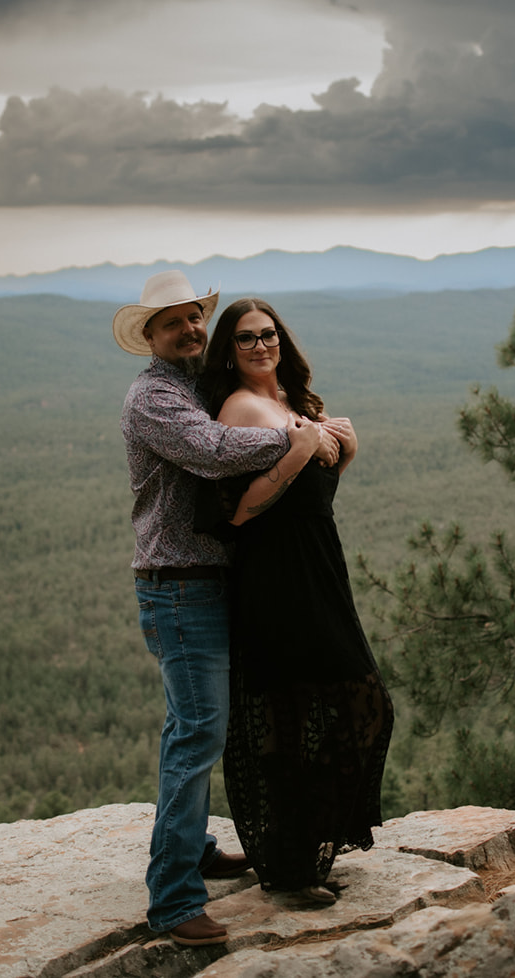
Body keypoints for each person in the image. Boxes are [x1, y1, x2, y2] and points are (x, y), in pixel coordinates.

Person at [115, 270, 330, 947]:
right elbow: (211, 453)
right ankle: (174, 901)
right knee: (199, 732)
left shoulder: (193, 386)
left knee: (193, 726)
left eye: (193, 317)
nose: (188, 329)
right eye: (172, 322)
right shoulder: (153, 397)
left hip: (210, 581)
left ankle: (197, 849)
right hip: (179, 585)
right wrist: (301, 437)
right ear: (148, 334)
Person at [199, 297, 395, 908]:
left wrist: (345, 450)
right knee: (303, 711)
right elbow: (238, 509)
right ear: (228, 354)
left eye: (268, 334)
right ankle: (286, 867)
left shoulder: (291, 404)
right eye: (245, 339)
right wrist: (301, 450)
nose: (261, 346)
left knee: (333, 703)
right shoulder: (239, 408)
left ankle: (300, 852)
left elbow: (312, 495)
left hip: (317, 567)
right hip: (276, 579)